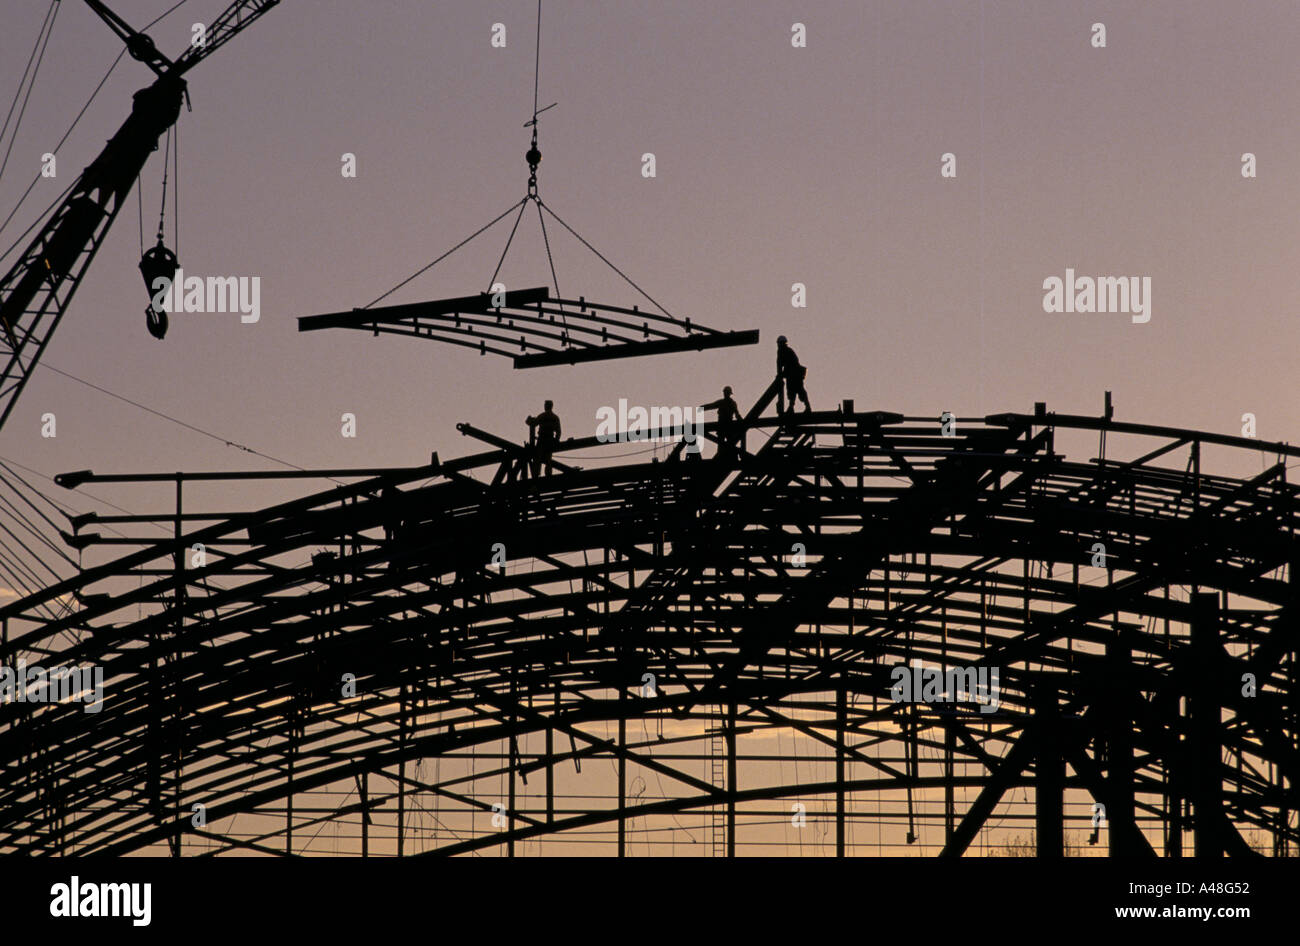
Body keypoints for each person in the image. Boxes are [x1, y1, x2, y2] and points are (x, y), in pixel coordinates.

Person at [701, 385, 743, 462]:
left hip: (723, 426)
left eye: (725, 392)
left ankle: (726, 457)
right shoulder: (730, 403)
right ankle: (731, 457)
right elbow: (737, 414)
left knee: (724, 443)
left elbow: (712, 406)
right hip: (726, 426)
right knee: (727, 443)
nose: (725, 394)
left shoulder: (725, 403)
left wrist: (702, 408)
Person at [776, 335, 811, 415]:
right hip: (792, 375)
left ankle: (805, 407)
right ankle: (792, 408)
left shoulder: (784, 351)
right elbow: (780, 364)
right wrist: (780, 374)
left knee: (798, 390)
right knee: (794, 391)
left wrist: (780, 374)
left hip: (794, 375)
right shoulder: (785, 351)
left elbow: (780, 364)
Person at [526, 399, 562, 476]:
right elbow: (558, 431)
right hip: (550, 440)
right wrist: (556, 440)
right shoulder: (555, 417)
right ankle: (548, 475)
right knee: (548, 459)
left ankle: (536, 475)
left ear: (546, 406)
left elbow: (533, 423)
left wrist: (528, 420)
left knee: (538, 458)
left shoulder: (542, 416)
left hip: (542, 440)